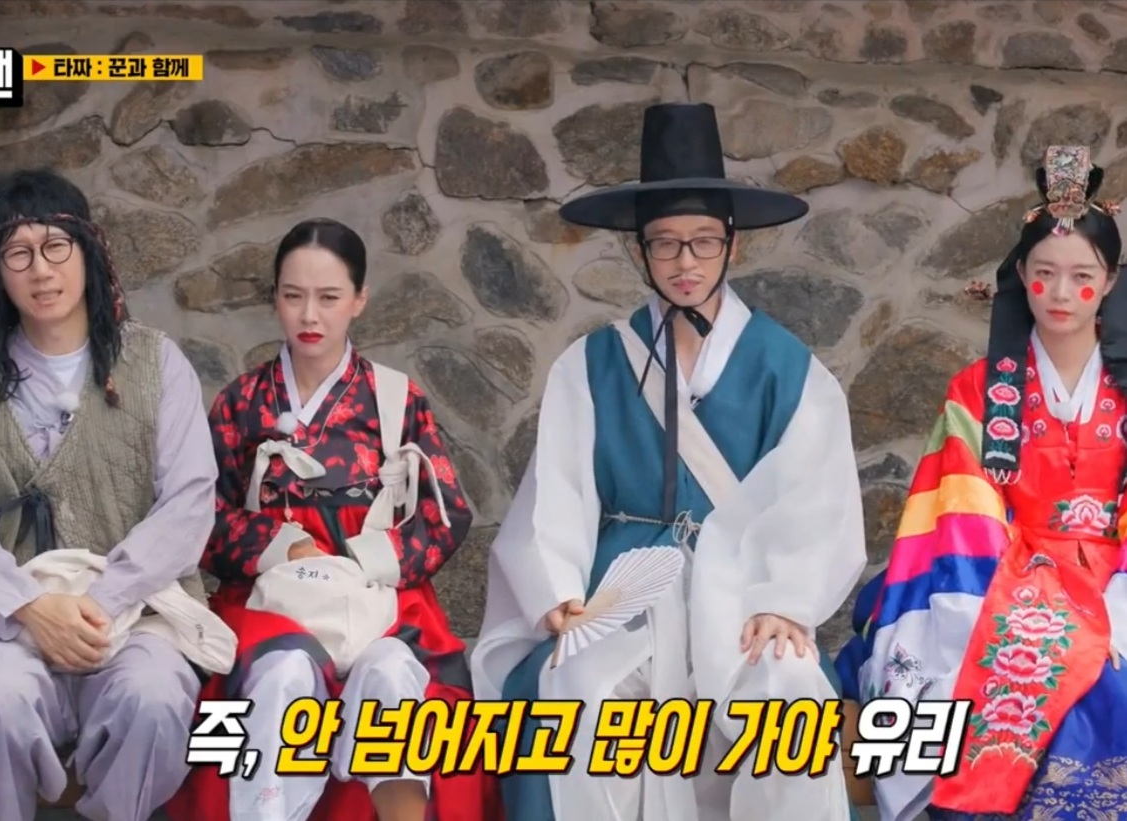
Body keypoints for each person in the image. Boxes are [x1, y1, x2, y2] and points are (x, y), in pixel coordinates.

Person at [470, 102, 867, 821]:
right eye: (665, 244)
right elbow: (557, 492)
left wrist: (786, 599)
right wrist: (557, 588)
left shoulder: (788, 370)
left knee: (791, 695)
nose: (686, 263)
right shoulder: (590, 364)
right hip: (624, 593)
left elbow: (817, 499)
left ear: (732, 245)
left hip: (743, 595)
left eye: (703, 242)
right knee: (577, 692)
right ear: (641, 251)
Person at [165, 218, 502, 821]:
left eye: (328, 297)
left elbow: (446, 511)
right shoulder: (242, 402)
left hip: (381, 600)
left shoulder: (396, 398)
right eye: (293, 296)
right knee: (282, 675)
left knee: (394, 678)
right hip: (268, 602)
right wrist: (281, 548)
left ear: (359, 300)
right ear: (274, 297)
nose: (309, 315)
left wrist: (368, 560)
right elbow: (203, 515)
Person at [836, 144, 1127, 820]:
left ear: (1111, 281)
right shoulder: (977, 390)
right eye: (1044, 273)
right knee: (994, 660)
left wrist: (1112, 601)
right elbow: (963, 514)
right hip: (1002, 570)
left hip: (1117, 575)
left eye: (1082, 276)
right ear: (1020, 274)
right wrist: (1024, 602)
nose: (1062, 293)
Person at [0, 168, 219, 820]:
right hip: (12, 624)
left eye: (55, 245)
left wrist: (99, 602)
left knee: (154, 697)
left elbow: (188, 501)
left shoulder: (155, 364)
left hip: (138, 613)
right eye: (18, 252)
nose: (41, 270)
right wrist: (31, 608)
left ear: (88, 248)